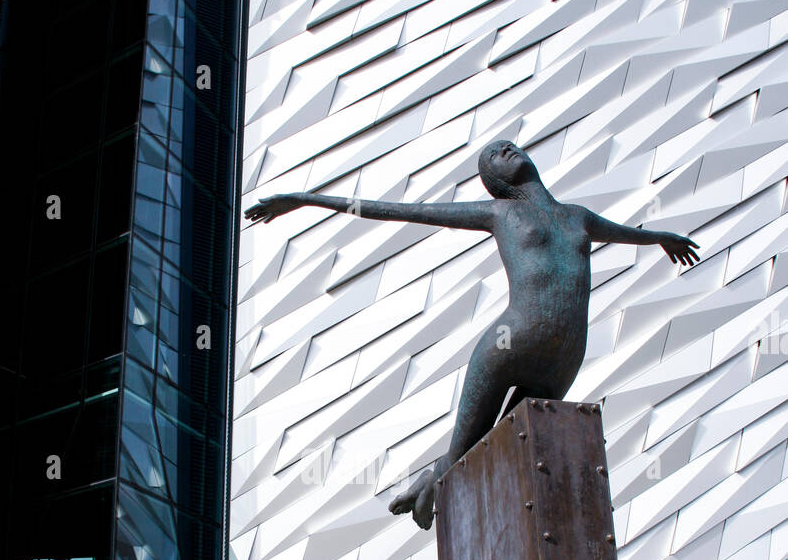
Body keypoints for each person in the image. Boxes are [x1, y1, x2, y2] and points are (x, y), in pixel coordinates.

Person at [246, 140, 699, 528]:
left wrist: (662, 237)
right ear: (494, 181)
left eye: (509, 146)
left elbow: (627, 234)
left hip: (565, 356)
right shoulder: (499, 213)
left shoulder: (577, 217)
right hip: (512, 340)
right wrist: (306, 200)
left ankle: (440, 483)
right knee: (467, 451)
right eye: (494, 155)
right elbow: (404, 212)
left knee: (513, 455)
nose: (506, 150)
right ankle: (434, 485)